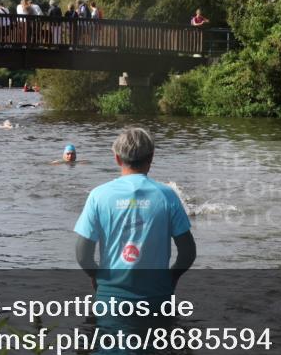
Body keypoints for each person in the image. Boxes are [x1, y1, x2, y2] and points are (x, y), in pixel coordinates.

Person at [74, 128, 196, 301]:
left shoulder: (98, 196)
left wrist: (97, 277)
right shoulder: (167, 195)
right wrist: (171, 277)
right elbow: (187, 253)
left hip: (111, 299)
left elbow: (82, 255)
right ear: (151, 157)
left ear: (117, 158)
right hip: (157, 297)